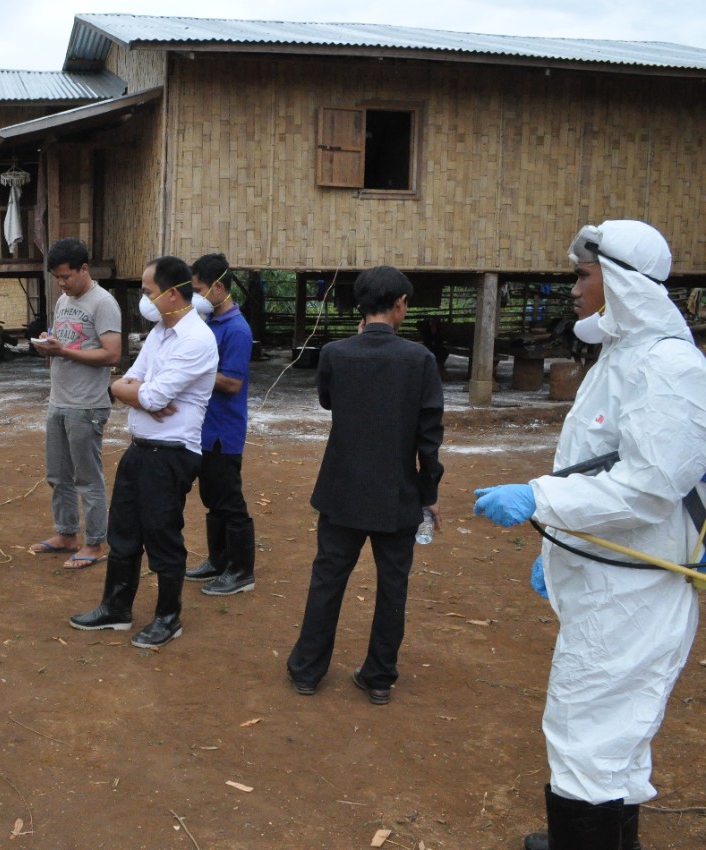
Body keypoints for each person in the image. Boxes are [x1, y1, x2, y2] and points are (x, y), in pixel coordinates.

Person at [473, 220, 706, 850]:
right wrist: (556, 542)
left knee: (586, 735)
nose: (572, 286)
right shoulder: (624, 356)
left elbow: (649, 485)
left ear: (623, 280)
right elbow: (600, 462)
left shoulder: (667, 366)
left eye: (582, 272)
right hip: (607, 580)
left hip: (634, 596)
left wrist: (539, 499)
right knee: (613, 739)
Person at [285, 266, 444, 705]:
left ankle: (307, 671)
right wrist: (428, 494)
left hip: (342, 489)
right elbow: (429, 438)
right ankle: (379, 677)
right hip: (397, 493)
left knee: (328, 579)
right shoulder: (421, 360)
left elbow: (328, 400)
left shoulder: (337, 353)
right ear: (398, 305)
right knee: (394, 584)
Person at [68, 255, 218, 648]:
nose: (145, 299)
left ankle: (169, 618)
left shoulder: (197, 340)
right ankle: (116, 607)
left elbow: (150, 394)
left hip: (171, 454)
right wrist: (127, 390)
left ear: (172, 294)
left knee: (163, 535)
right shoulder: (160, 332)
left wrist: (130, 392)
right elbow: (136, 383)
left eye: (150, 292)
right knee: (124, 531)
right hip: (141, 448)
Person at [29, 238, 122, 569]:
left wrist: (63, 351)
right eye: (57, 278)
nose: (61, 283)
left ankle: (95, 543)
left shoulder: (103, 303)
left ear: (85, 269)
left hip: (86, 405)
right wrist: (47, 345)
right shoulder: (63, 300)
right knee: (58, 474)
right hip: (59, 400)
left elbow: (112, 354)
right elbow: (63, 339)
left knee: (87, 477)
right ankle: (66, 534)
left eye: (66, 276)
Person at [186, 253, 256, 596]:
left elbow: (232, 383)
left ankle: (242, 571)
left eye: (198, 289)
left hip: (223, 432)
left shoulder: (237, 330)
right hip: (204, 428)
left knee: (230, 501)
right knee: (212, 497)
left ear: (218, 287)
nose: (195, 296)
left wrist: (191, 371)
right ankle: (218, 560)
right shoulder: (210, 323)